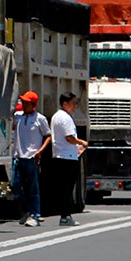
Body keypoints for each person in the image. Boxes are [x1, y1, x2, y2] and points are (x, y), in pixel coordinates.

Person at [13, 90, 50, 226]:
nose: (23, 104)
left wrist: (39, 151)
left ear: (33, 105)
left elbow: (48, 135)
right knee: (16, 184)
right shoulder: (18, 116)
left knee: (32, 187)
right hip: (18, 156)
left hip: (31, 157)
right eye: (22, 102)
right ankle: (26, 211)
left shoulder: (40, 119)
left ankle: (35, 214)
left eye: (26, 103)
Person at [50, 92, 87, 226]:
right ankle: (65, 216)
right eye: (73, 104)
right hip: (67, 158)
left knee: (63, 188)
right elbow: (69, 137)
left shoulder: (56, 116)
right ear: (65, 104)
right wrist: (81, 142)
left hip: (60, 156)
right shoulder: (65, 118)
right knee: (67, 188)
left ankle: (65, 215)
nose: (75, 107)